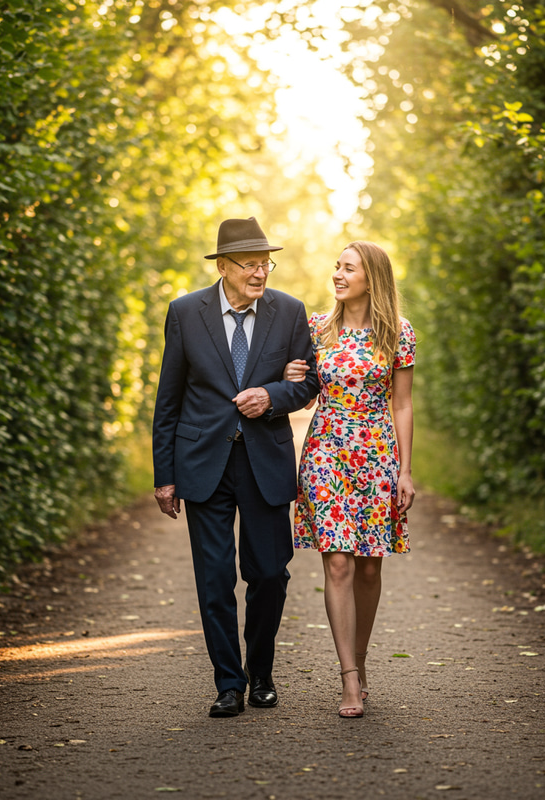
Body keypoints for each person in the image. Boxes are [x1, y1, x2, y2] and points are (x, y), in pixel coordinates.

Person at [152, 217, 319, 718]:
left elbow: (308, 385)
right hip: (202, 462)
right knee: (215, 578)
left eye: (266, 262)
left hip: (264, 462)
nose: (260, 271)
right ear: (223, 266)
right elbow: (169, 398)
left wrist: (271, 395)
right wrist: (165, 474)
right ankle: (228, 682)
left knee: (269, 574)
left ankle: (261, 673)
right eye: (250, 263)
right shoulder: (185, 312)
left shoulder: (289, 312)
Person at [284, 240, 415, 718]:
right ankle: (350, 679)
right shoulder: (316, 329)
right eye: (336, 267)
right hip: (326, 455)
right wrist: (290, 374)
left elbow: (402, 403)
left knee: (369, 567)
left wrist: (404, 469)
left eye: (348, 269)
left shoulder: (398, 333)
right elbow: (301, 392)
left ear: (371, 278)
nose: (337, 275)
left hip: (378, 457)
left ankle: (360, 660)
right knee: (337, 564)